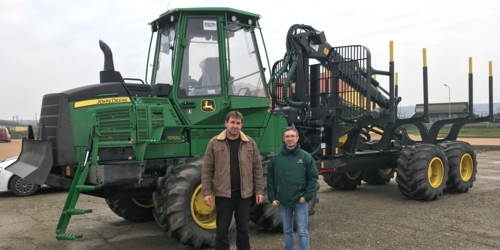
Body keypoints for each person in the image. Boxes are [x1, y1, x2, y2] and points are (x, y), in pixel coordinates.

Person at [201, 110, 264, 250]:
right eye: (232, 122)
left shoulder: (250, 143)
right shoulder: (214, 143)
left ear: (241, 125)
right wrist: (206, 192)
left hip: (244, 195)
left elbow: (257, 169)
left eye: (238, 123)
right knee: (222, 231)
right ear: (226, 123)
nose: (235, 126)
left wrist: (259, 190)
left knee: (243, 231)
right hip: (223, 195)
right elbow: (207, 169)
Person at [267, 126, 319, 250]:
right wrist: (272, 197)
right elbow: (270, 180)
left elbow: (313, 178)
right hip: (283, 202)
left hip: (300, 201)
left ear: (297, 138)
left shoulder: (306, 157)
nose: (290, 139)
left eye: (292, 136)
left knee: (302, 231)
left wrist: (306, 196)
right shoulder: (276, 159)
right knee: (287, 230)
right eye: (287, 136)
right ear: (283, 139)